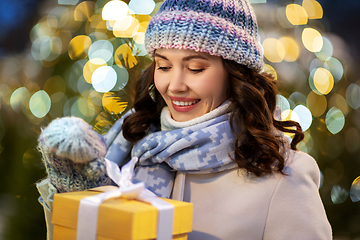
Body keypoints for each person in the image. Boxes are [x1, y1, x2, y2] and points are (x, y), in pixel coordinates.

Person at [36, 0, 333, 239]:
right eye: (163, 66)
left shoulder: (283, 176)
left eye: (195, 68)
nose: (174, 85)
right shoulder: (130, 146)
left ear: (234, 74)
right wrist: (73, 193)